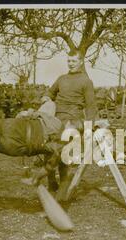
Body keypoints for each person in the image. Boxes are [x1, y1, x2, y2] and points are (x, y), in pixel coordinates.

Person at [0, 100, 64, 185]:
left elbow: (28, 113)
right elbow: (49, 167)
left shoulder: (56, 122)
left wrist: (24, 115)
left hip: (17, 127)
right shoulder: (60, 149)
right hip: (20, 147)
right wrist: (35, 179)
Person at [47, 50, 98, 200]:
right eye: (69, 61)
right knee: (47, 148)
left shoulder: (86, 81)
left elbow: (90, 106)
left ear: (81, 61)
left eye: (74, 61)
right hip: (56, 118)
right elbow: (50, 92)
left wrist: (88, 127)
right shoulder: (61, 78)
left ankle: (62, 189)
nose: (71, 64)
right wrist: (46, 98)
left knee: (63, 154)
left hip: (73, 120)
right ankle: (51, 182)